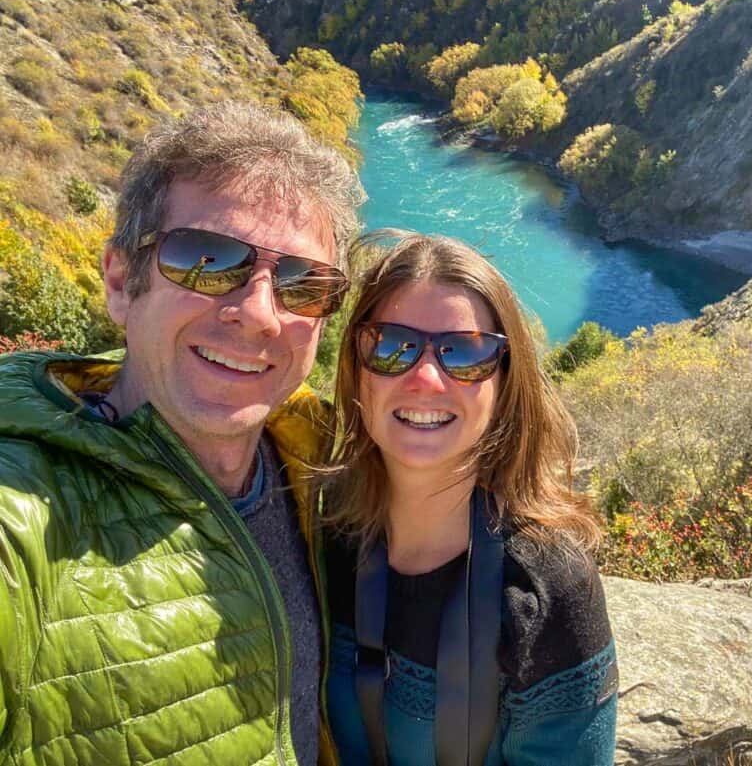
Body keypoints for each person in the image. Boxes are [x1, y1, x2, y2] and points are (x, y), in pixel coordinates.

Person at [0, 102, 364, 766]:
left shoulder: (317, 455)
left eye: (301, 284)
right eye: (207, 260)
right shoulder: (25, 515)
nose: (258, 314)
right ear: (119, 281)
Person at [322, 233, 618, 766]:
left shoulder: (545, 588)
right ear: (355, 368)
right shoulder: (321, 527)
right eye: (391, 345)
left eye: (466, 352)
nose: (427, 378)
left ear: (505, 384)